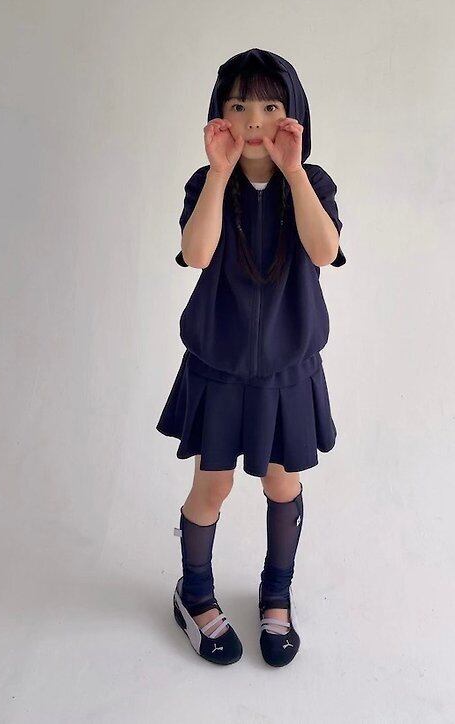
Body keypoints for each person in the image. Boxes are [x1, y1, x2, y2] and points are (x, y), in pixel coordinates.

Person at [157, 47, 346, 667]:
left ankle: (276, 594)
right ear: (220, 116)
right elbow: (196, 253)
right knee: (211, 485)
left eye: (270, 105)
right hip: (219, 365)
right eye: (239, 105)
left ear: (294, 115)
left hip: (288, 370)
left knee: (282, 483)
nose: (255, 119)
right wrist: (218, 174)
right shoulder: (206, 182)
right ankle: (195, 593)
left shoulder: (312, 183)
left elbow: (324, 251)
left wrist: (294, 174)